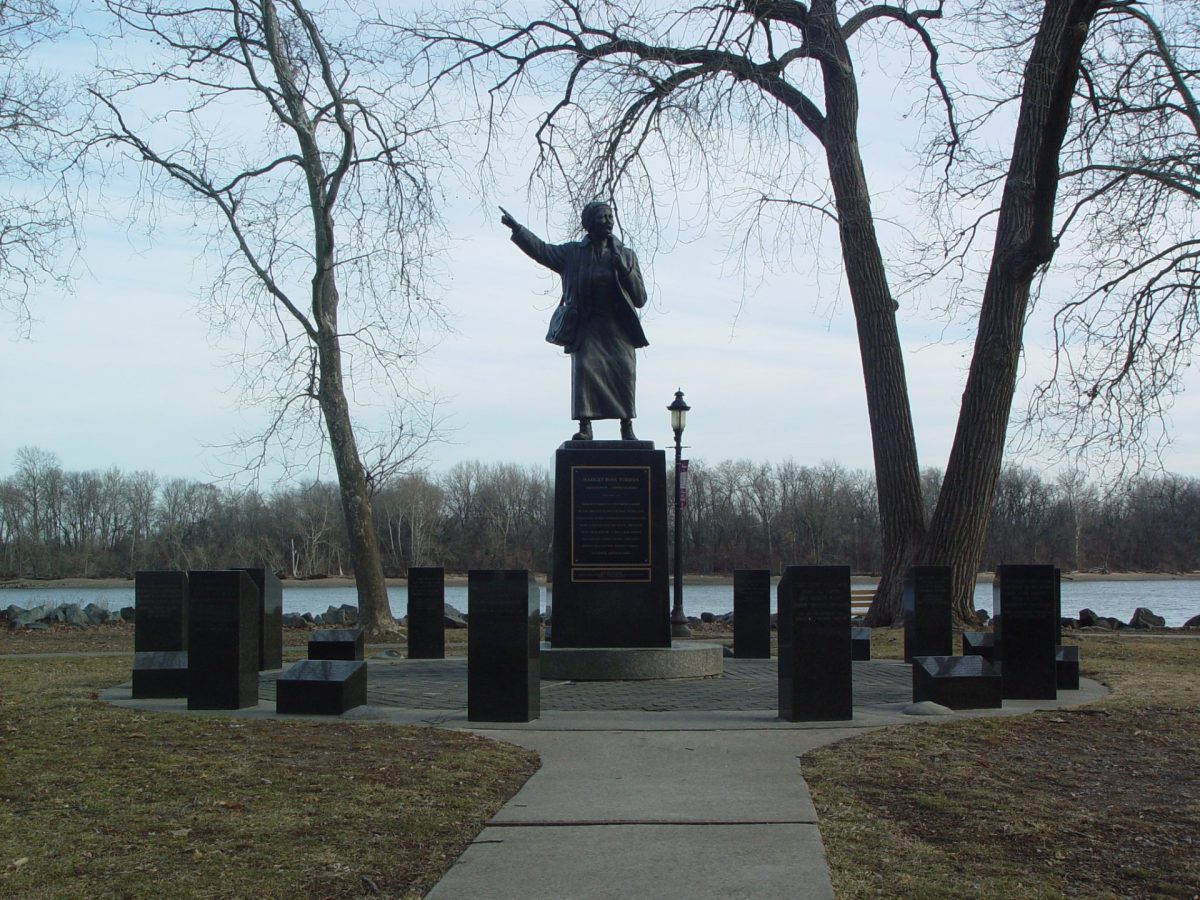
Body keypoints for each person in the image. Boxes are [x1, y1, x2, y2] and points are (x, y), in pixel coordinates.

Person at [501, 201, 649, 441]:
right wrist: (518, 230)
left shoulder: (626, 255)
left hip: (618, 329)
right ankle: (585, 426)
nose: (608, 221)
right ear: (589, 223)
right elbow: (542, 250)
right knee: (584, 371)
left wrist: (624, 269)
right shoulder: (572, 254)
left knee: (624, 372)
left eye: (610, 217)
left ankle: (626, 426)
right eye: (602, 217)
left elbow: (640, 298)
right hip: (587, 327)